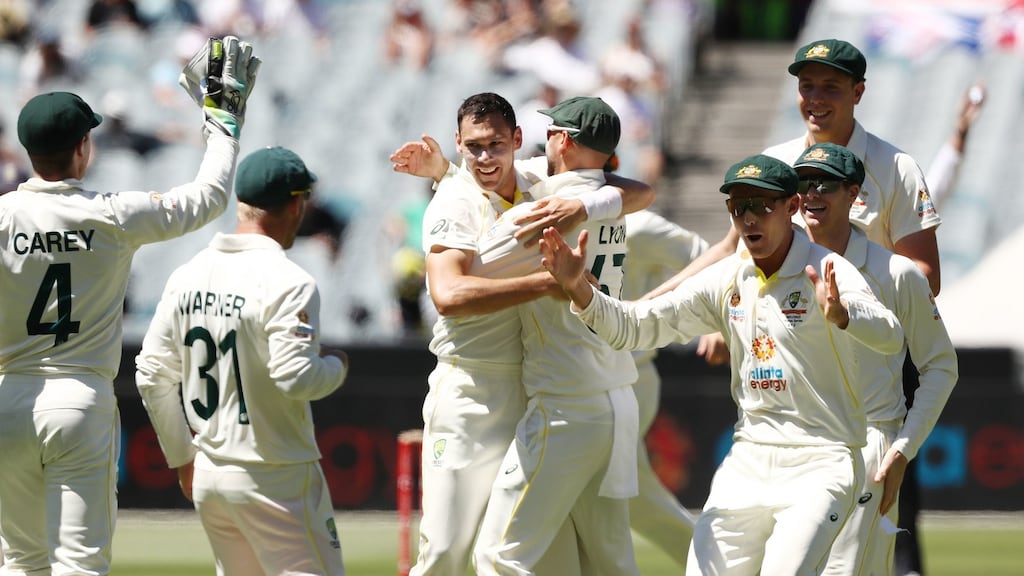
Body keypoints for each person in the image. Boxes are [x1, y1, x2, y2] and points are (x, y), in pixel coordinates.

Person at [539, 153, 905, 575]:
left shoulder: (827, 269)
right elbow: (635, 327)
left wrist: (844, 315)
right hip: (748, 459)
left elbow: (891, 334)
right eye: (738, 207)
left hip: (822, 461)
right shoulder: (729, 278)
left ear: (792, 207)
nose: (749, 218)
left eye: (761, 205)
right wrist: (578, 291)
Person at [0, 36, 258, 575]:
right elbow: (209, 197)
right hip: (80, 398)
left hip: (8, 398)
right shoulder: (113, 215)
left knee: (20, 563)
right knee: (80, 563)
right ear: (82, 150)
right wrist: (222, 123)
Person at [391, 92, 654, 576]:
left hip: (532, 391)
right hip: (470, 391)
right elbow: (446, 295)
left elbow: (639, 191)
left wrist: (584, 207)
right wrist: (550, 283)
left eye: (495, 144)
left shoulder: (541, 180)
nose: (486, 158)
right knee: (447, 550)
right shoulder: (454, 201)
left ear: (518, 140)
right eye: (473, 148)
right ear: (458, 144)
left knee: (539, 555)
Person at [135, 146, 348, 575]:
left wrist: (183, 458)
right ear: (296, 204)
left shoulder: (187, 274)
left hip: (211, 473)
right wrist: (338, 366)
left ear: (241, 203)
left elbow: (151, 376)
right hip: (275, 473)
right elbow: (297, 377)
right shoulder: (290, 282)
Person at [470, 96, 641, 576]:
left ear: (562, 140)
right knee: (609, 565)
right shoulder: (612, 198)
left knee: (499, 557)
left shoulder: (544, 210)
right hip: (615, 402)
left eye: (551, 132)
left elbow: (467, 269)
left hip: (566, 405)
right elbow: (637, 188)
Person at [790, 143, 958, 576]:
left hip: (868, 455)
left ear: (855, 195)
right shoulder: (775, 267)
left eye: (824, 184)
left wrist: (903, 450)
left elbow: (940, 366)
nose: (811, 194)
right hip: (794, 456)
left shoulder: (897, 274)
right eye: (804, 183)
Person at [621, 208, 706, 568]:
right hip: (582, 381)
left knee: (603, 496)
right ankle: (713, 566)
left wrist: (710, 321)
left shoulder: (637, 225)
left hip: (631, 378)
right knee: (635, 500)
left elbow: (706, 256)